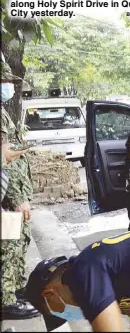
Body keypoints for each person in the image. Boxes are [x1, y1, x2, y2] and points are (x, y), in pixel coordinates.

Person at [1, 61, 40, 319]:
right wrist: (18, 198)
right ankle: (6, 298)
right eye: (5, 82)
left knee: (17, 240)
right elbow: (4, 156)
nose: (10, 87)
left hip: (13, 194)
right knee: (10, 243)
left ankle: (15, 287)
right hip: (9, 195)